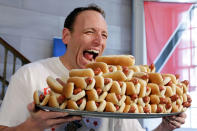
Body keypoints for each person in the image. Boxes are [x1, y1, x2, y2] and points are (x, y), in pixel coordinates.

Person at [0, 4, 186, 131]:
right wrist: (30, 127)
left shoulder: (116, 85)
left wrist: (165, 127)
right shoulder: (30, 75)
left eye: (104, 35)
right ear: (66, 36)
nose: (99, 41)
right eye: (90, 32)